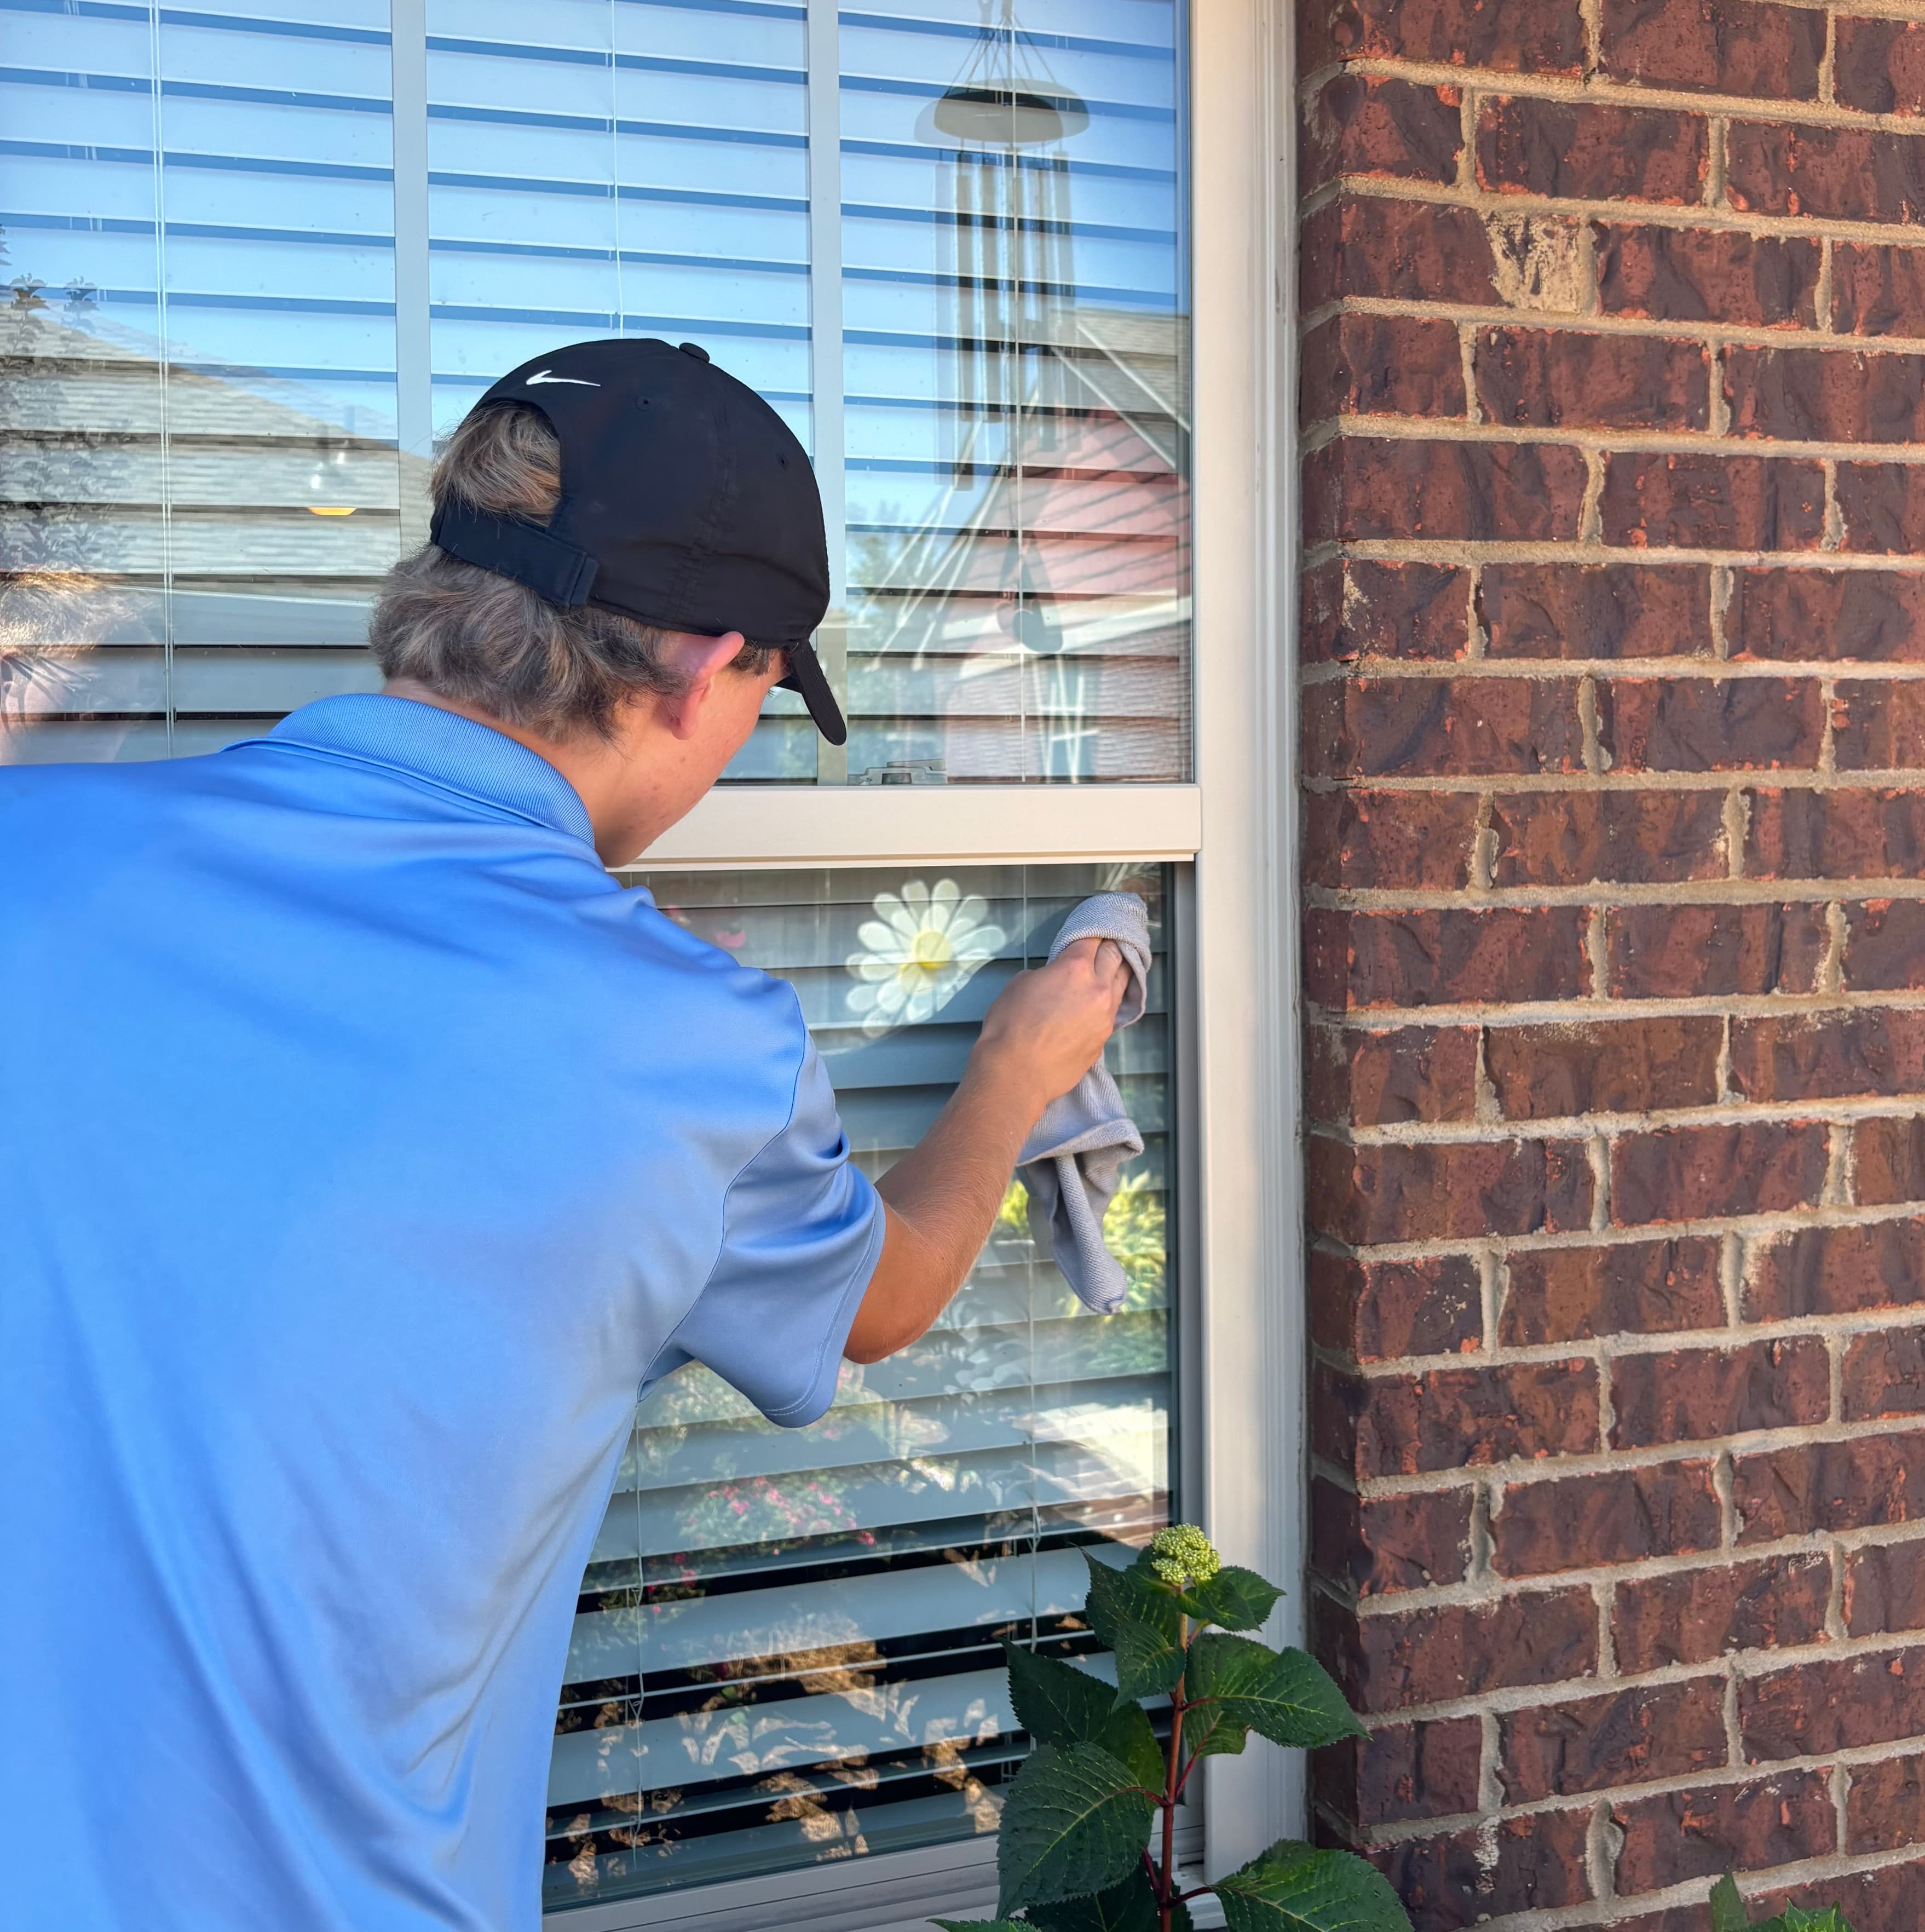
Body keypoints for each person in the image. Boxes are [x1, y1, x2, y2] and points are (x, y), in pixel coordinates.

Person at [0, 338, 1130, 1932]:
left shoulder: (26, 854)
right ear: (703, 668)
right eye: (762, 695)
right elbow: (879, 1300)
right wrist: (1016, 1071)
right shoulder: (685, 1044)